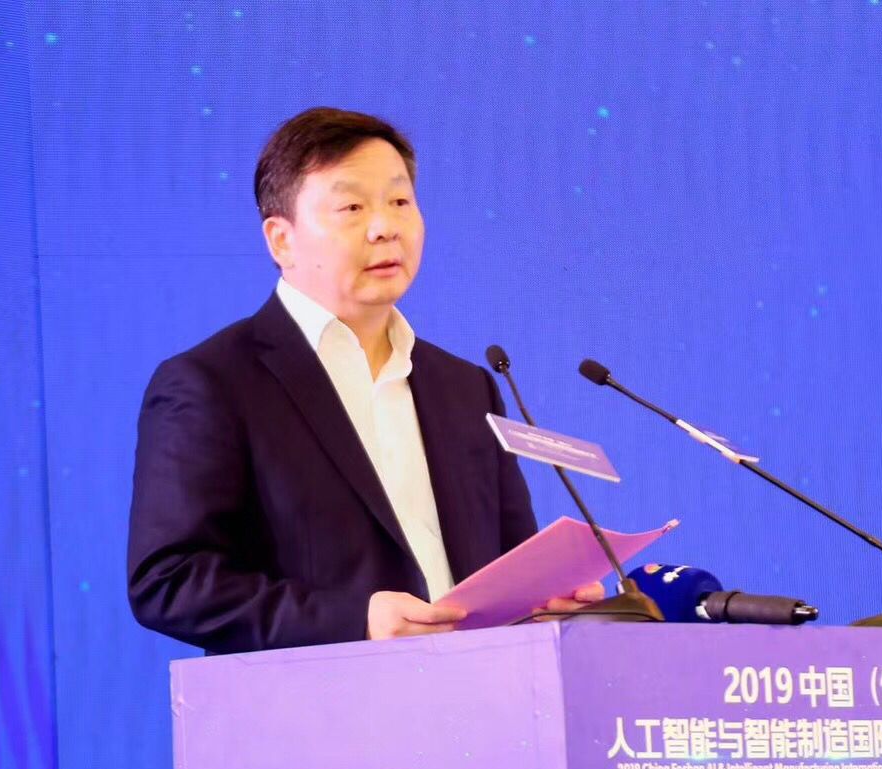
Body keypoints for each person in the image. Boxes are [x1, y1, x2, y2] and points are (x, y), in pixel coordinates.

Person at [127, 107, 602, 654]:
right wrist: (355, 620)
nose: (385, 228)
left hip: (480, 695)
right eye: (352, 208)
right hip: (320, 701)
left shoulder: (466, 387)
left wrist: (542, 600)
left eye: (400, 202)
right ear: (281, 240)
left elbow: (509, 564)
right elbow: (170, 582)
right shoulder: (212, 384)